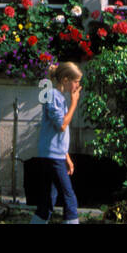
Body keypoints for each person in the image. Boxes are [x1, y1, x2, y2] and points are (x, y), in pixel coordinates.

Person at [30, 62, 82, 224]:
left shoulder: (58, 97)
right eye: (76, 81)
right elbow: (61, 125)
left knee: (47, 200)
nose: (78, 85)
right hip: (52, 156)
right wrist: (74, 102)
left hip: (55, 154)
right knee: (69, 198)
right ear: (66, 79)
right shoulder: (53, 96)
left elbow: (56, 134)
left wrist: (66, 156)